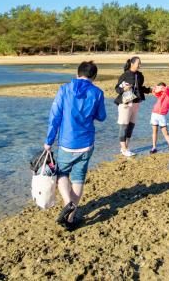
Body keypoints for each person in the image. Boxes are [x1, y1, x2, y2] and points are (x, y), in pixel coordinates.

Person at [44, 60, 106, 229]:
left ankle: (68, 203)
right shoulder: (97, 92)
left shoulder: (64, 89)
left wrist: (49, 141)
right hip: (86, 143)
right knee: (79, 178)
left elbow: (54, 117)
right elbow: (102, 117)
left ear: (77, 73)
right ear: (94, 76)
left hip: (67, 143)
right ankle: (70, 219)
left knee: (61, 173)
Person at [114, 56, 150, 157]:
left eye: (140, 63)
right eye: (138, 63)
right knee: (123, 126)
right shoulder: (125, 75)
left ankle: (125, 147)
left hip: (136, 102)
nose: (140, 65)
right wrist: (124, 89)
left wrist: (151, 90)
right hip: (125, 103)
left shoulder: (140, 75)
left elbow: (140, 88)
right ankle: (124, 149)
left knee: (131, 126)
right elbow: (117, 89)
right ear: (132, 64)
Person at [149, 82, 169, 154]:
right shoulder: (160, 94)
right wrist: (156, 88)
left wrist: (160, 88)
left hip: (162, 115)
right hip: (154, 114)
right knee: (154, 131)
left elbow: (166, 89)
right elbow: (154, 92)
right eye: (159, 87)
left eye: (161, 87)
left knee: (165, 132)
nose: (160, 89)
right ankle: (154, 147)